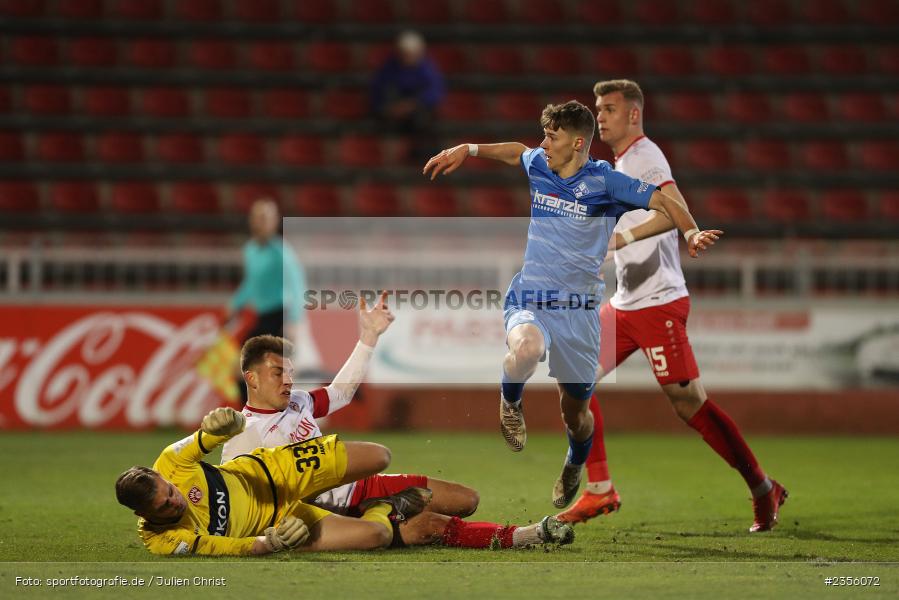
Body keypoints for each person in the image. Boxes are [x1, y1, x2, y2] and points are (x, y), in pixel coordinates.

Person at [423, 101, 722, 510]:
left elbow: (669, 206)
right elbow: (515, 151)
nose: (543, 144)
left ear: (578, 142)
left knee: (576, 416)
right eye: (544, 135)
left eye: (552, 136)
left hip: (580, 313)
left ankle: (574, 463)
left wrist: (689, 233)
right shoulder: (540, 165)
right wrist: (469, 149)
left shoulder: (607, 182)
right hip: (532, 294)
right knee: (525, 349)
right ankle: (511, 403)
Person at [556, 79, 787, 533]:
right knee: (571, 374)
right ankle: (600, 489)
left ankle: (763, 488)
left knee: (689, 405)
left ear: (633, 114)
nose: (599, 115)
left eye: (608, 108)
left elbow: (672, 206)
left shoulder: (645, 155)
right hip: (625, 304)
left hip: (659, 303)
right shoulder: (619, 162)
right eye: (597, 109)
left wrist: (680, 232)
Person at [222, 291, 575, 549]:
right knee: (434, 525)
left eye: (290, 372)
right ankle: (525, 535)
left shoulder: (298, 402)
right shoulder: (243, 435)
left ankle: (392, 514)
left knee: (467, 499)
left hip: (368, 486)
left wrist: (369, 337)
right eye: (277, 373)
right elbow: (243, 501)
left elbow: (341, 393)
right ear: (250, 378)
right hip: (338, 512)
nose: (288, 380)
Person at [114, 406, 431, 556]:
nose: (176, 500)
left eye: (170, 491)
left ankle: (324, 493)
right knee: (376, 535)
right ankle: (380, 504)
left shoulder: (171, 462)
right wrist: (274, 542)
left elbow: (211, 434)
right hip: (282, 522)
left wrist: (228, 422)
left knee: (379, 457)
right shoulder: (163, 541)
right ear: (143, 515)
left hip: (271, 472)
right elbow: (225, 547)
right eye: (165, 506)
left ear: (161, 477)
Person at [227, 199, 323, 396]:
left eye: (266, 218)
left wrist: (295, 321)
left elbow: (297, 286)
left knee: (262, 370)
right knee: (243, 369)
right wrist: (234, 304)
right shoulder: (250, 250)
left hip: (281, 316)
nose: (261, 222)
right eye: (258, 217)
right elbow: (252, 283)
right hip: (263, 317)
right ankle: (255, 419)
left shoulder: (281, 252)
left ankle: (262, 419)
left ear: (274, 222)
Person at [370, 30, 445, 163]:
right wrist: (390, 107)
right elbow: (378, 90)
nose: (408, 57)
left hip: (418, 113)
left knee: (424, 123)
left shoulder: (427, 68)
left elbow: (435, 92)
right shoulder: (389, 68)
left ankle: (422, 158)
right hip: (392, 113)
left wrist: (412, 105)